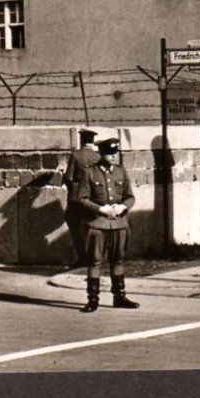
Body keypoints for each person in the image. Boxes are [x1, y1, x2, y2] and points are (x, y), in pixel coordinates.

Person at [76, 138, 139, 313]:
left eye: (115, 153)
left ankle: (119, 296)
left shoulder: (121, 172)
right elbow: (81, 198)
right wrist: (100, 209)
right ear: (101, 153)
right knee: (95, 261)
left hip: (119, 223)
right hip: (97, 224)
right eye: (109, 153)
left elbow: (130, 196)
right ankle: (93, 299)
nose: (112, 156)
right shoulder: (89, 173)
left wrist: (123, 206)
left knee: (118, 260)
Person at [63, 128, 100, 267]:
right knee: (91, 226)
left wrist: (73, 191)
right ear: (93, 141)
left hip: (76, 197)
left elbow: (68, 177)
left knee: (73, 224)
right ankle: (93, 257)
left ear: (82, 140)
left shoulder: (76, 155)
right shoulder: (98, 156)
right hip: (92, 198)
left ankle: (82, 256)